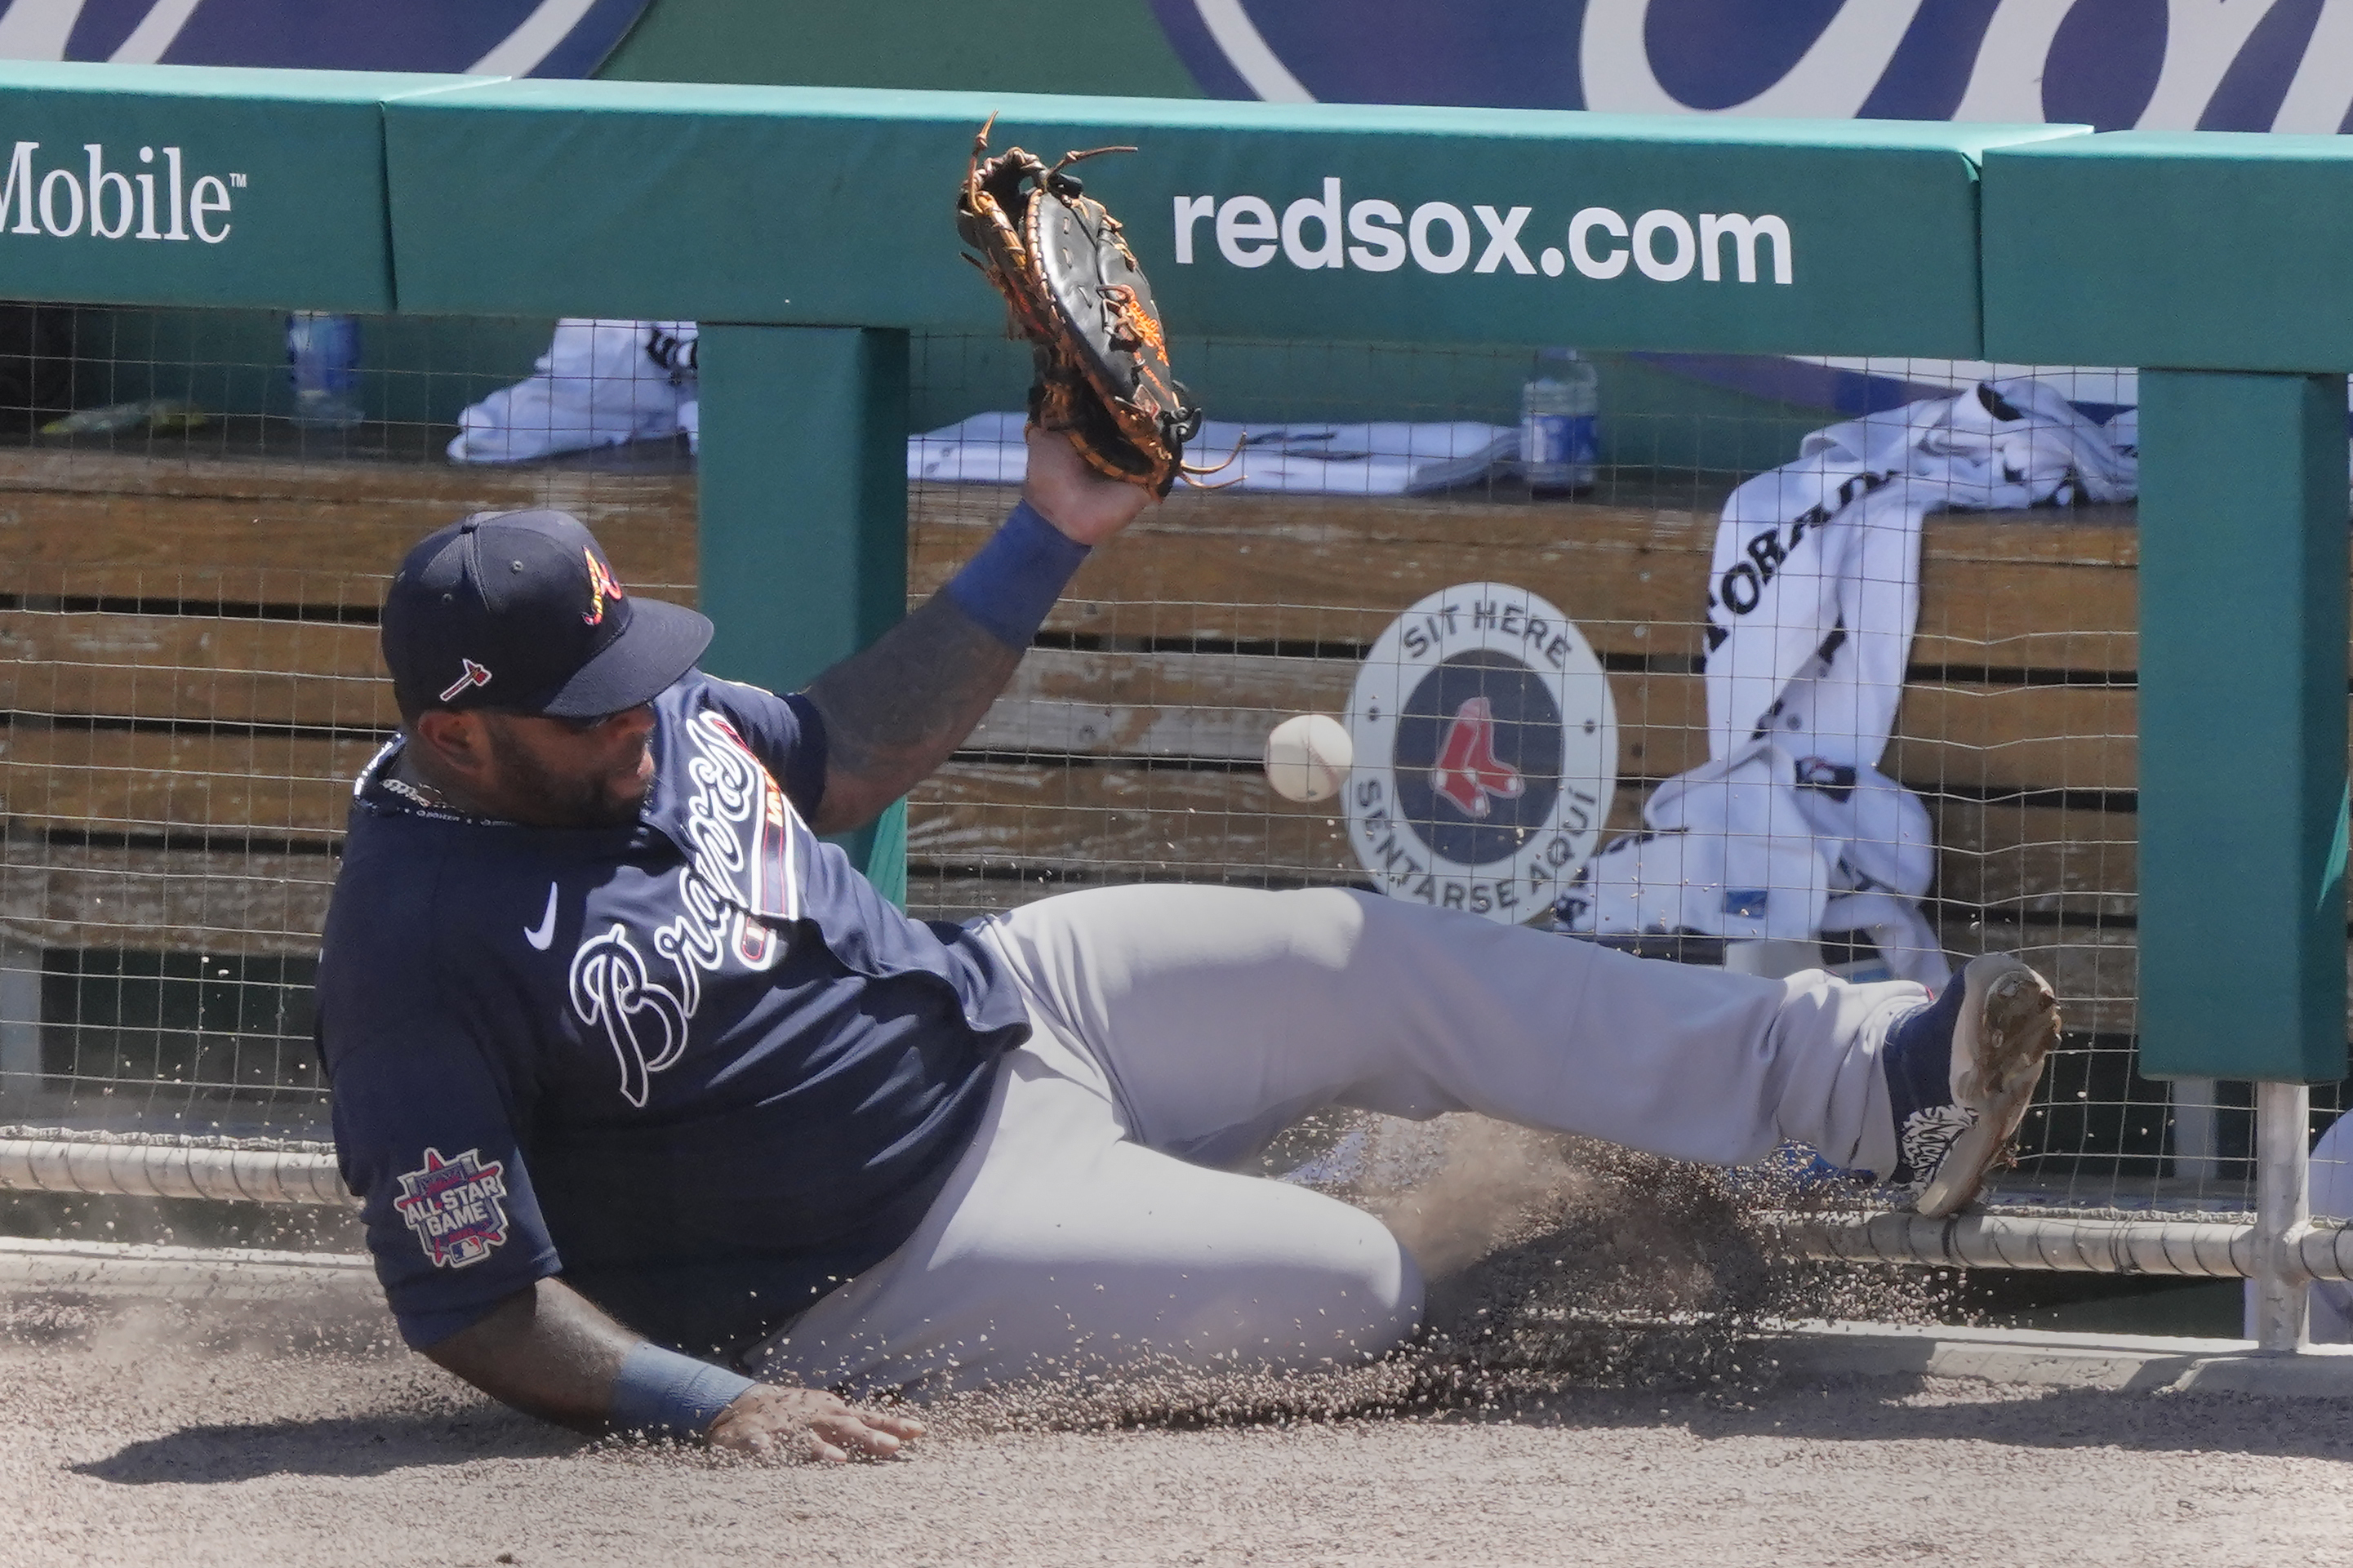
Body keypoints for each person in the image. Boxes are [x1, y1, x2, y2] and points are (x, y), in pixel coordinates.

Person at [318, 425, 2060, 1462]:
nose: (640, 721)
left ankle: (1868, 1080)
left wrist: (1046, 531)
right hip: (889, 1256)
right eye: (591, 715)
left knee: (1372, 952)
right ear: (456, 735)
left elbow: (845, 747)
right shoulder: (414, 944)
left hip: (1009, 997)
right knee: (1360, 1296)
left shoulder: (619, 705)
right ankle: (1389, 1205)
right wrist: (710, 1407)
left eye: (641, 681)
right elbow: (473, 1304)